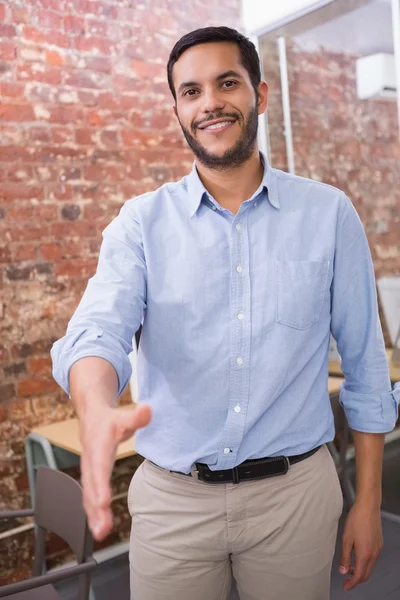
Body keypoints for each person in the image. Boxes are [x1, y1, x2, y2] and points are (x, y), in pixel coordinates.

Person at [51, 26, 400, 600]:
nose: (209, 102)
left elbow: (364, 368)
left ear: (259, 95)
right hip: (173, 503)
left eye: (226, 83)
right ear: (178, 111)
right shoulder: (141, 224)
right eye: (190, 92)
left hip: (295, 498)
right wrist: (94, 406)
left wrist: (369, 501)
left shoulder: (330, 214)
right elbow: (98, 329)